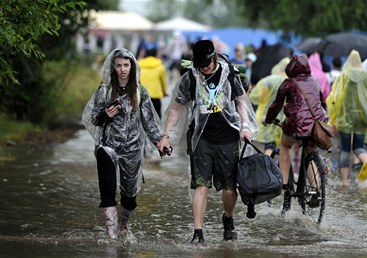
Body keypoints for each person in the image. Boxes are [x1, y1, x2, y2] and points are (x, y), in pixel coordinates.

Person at [157, 40, 257, 243]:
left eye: (207, 63)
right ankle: (198, 232)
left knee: (229, 188)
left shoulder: (229, 74)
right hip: (201, 138)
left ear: (213, 57)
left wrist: (245, 126)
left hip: (228, 137)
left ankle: (228, 219)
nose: (203, 68)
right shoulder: (191, 77)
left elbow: (240, 101)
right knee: (201, 185)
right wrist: (166, 135)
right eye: (199, 64)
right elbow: (176, 107)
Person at [81, 48, 164, 239]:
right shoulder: (104, 90)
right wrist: (104, 115)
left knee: (129, 198)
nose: (122, 69)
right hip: (107, 146)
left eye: (126, 65)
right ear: (113, 68)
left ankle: (123, 225)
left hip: (133, 148)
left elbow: (149, 122)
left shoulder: (141, 92)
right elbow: (91, 117)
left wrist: (160, 142)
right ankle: (111, 236)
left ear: (132, 67)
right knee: (108, 192)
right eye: (118, 65)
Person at [263, 54, 328, 213]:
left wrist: (269, 118)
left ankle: (285, 186)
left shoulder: (289, 83)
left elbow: (276, 105)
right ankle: (314, 190)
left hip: (295, 125)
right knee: (310, 153)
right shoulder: (314, 82)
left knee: (285, 146)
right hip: (315, 126)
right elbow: (322, 103)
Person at [326, 50, 367, 190]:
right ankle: (366, 161)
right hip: (362, 117)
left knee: (345, 149)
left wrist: (333, 113)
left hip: (346, 117)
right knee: (358, 146)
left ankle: (344, 182)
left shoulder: (344, 76)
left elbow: (336, 95)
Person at [249, 57, 290, 156]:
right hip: (282, 119)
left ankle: (264, 167)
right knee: (274, 146)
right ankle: (269, 167)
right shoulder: (290, 82)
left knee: (260, 148)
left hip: (264, 117)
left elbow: (253, 97)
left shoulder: (268, 80)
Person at [138, 47, 167, 118]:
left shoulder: (139, 65)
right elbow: (163, 82)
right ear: (156, 55)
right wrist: (164, 92)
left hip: (143, 96)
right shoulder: (160, 67)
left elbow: (137, 80)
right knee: (157, 117)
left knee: (143, 117)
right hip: (156, 96)